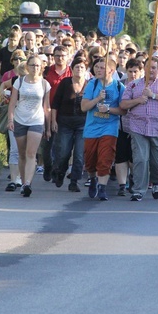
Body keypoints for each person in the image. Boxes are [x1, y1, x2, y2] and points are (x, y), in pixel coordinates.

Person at [120, 56, 158, 201]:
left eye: (154, 67)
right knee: (140, 159)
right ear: (143, 68)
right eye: (148, 67)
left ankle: (156, 182)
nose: (150, 70)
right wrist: (138, 100)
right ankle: (138, 190)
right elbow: (124, 104)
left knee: (156, 162)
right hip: (138, 128)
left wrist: (153, 95)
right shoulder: (133, 85)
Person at [81, 57, 125, 201]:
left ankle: (102, 188)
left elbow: (123, 111)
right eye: (97, 67)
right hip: (92, 127)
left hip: (109, 127)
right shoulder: (92, 85)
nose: (98, 70)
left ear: (111, 71)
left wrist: (109, 109)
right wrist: (97, 99)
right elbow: (84, 107)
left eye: (102, 67)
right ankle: (92, 178)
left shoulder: (119, 87)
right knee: (90, 159)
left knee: (105, 158)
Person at [7, 54, 51, 197]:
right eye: (32, 65)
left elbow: (46, 107)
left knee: (31, 153)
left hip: (36, 121)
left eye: (38, 65)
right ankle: (22, 179)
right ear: (27, 66)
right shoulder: (19, 82)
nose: (35, 68)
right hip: (20, 119)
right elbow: (12, 103)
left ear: (41, 67)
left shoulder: (44, 84)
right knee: (22, 154)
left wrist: (48, 126)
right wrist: (10, 120)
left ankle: (27, 184)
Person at [50, 57, 88, 191]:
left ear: (86, 70)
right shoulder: (65, 83)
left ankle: (74, 181)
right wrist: (54, 121)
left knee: (78, 155)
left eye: (82, 67)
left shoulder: (89, 85)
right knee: (63, 152)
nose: (79, 69)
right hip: (65, 122)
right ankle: (60, 171)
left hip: (82, 124)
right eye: (77, 67)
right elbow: (55, 104)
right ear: (72, 69)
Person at [41, 45, 72, 182]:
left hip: (65, 113)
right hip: (47, 110)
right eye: (57, 55)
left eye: (63, 55)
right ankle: (47, 166)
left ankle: (57, 169)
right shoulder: (47, 71)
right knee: (47, 143)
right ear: (53, 57)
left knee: (61, 145)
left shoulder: (72, 72)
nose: (60, 58)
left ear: (68, 57)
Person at [113, 58, 142, 196]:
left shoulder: (144, 87)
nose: (133, 74)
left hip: (139, 127)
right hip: (121, 126)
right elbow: (118, 104)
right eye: (130, 71)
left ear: (140, 72)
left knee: (134, 158)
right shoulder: (119, 85)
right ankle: (122, 185)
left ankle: (133, 179)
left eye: (135, 71)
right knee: (120, 156)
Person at [0, 51, 28, 191]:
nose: (22, 78)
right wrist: (3, 97)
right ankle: (13, 179)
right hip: (15, 116)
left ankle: (24, 180)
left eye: (24, 75)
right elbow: (3, 85)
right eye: (20, 75)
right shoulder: (16, 81)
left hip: (30, 119)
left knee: (26, 151)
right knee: (14, 149)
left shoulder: (38, 83)